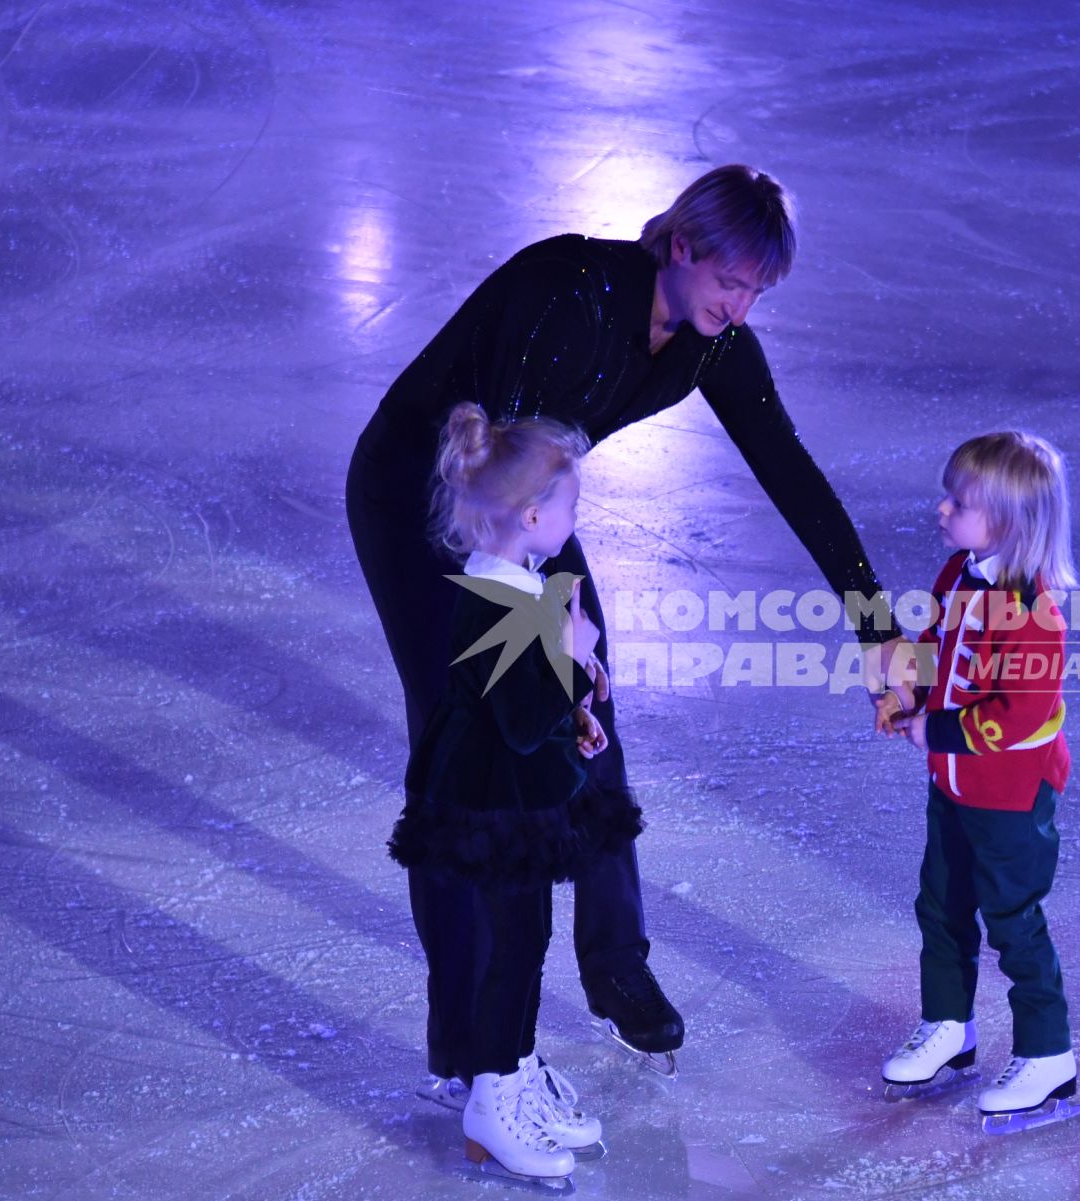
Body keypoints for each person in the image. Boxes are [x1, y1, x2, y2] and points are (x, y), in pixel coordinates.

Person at [346, 164, 899, 1076]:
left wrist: (877, 627)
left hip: (529, 518)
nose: (742, 306)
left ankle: (615, 967)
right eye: (731, 281)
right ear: (681, 246)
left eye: (759, 291)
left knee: (590, 717)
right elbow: (506, 488)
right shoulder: (567, 292)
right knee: (462, 753)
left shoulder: (710, 344)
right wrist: (551, 622)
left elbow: (790, 472)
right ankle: (467, 1047)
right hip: (426, 501)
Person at [385, 402, 640, 1187]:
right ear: (533, 514)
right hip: (494, 814)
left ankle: (517, 1070)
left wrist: (578, 718)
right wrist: (573, 650)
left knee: (525, 944)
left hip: (516, 801)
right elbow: (522, 723)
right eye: (571, 508)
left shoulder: (518, 587)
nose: (575, 521)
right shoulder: (497, 607)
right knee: (514, 948)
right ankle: (493, 1099)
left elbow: (533, 720)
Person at [874, 431, 1080, 1133]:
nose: (942, 510)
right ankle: (949, 1025)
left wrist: (932, 730)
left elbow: (1016, 713)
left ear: (1007, 521)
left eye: (958, 502)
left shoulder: (1034, 615)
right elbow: (938, 649)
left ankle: (1048, 1055)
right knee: (940, 906)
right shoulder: (957, 575)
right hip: (952, 787)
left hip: (1010, 798)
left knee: (1013, 922)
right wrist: (909, 691)